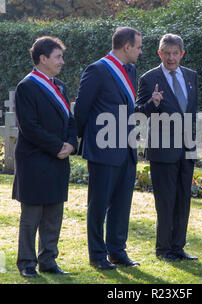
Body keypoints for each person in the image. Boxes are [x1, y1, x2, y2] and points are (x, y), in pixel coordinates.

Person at [74, 27, 143, 270]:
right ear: (126, 47)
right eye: (138, 47)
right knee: (99, 205)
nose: (140, 51)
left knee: (122, 204)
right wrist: (77, 141)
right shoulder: (97, 70)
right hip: (103, 149)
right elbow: (81, 110)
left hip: (127, 148)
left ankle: (117, 251)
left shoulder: (131, 70)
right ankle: (97, 255)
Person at [13, 36, 77, 278]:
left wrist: (70, 143)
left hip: (58, 159)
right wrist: (57, 146)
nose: (62, 61)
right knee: (31, 216)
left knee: (53, 214)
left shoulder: (60, 86)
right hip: (34, 161)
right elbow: (29, 126)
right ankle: (27, 263)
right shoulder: (27, 86)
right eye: (58, 56)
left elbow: (71, 120)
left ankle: (48, 260)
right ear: (43, 59)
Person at [136, 34, 198, 262]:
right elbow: (137, 112)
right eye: (166, 53)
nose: (171, 58)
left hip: (187, 149)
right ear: (159, 54)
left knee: (183, 199)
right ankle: (163, 250)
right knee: (165, 201)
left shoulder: (191, 76)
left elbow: (190, 114)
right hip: (162, 150)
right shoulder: (149, 78)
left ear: (182, 53)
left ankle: (178, 247)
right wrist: (152, 103)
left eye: (175, 53)